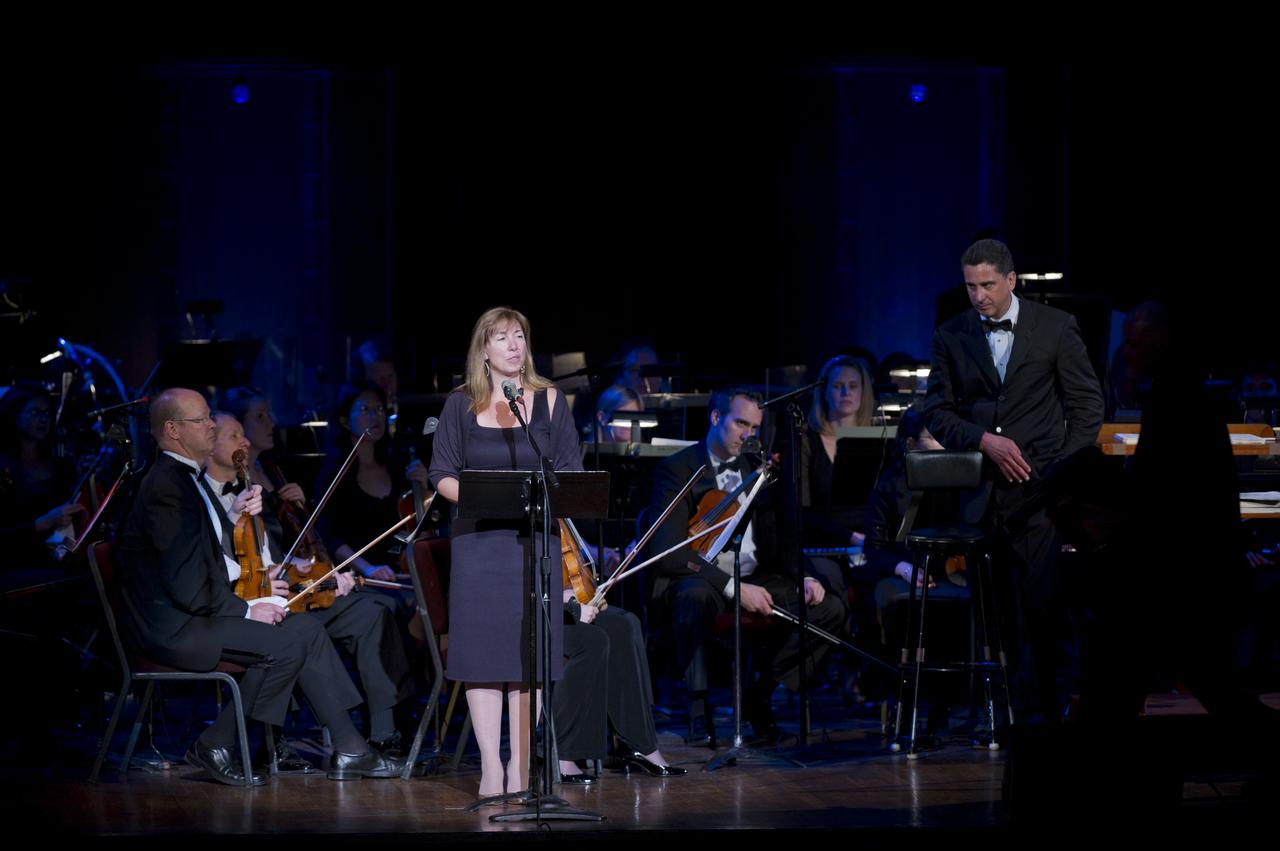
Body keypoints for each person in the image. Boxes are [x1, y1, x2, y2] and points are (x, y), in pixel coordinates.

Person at [115, 388, 405, 784]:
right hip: (173, 627)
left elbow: (202, 561)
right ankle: (218, 741)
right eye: (201, 420)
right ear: (173, 430)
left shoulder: (186, 481)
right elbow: (186, 584)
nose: (211, 426)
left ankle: (350, 746)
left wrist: (233, 522)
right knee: (286, 644)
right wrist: (247, 609)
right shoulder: (168, 486)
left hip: (194, 615)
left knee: (304, 629)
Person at [920, 238, 1103, 722]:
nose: (978, 296)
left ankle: (1040, 714)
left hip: (1040, 492)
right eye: (970, 286)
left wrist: (1058, 473)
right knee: (993, 610)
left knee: (1040, 608)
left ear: (1011, 280)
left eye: (986, 285)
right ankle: (1001, 714)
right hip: (982, 492)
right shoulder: (951, 334)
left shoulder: (1056, 328)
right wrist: (984, 440)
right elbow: (936, 412)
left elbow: (1087, 407)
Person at [427, 306, 582, 799]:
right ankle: (491, 768)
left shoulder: (551, 401)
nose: (513, 345)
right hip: (478, 547)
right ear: (484, 350)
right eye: (501, 338)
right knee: (485, 656)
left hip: (534, 544)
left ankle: (521, 766)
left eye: (519, 336)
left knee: (527, 655)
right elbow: (442, 474)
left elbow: (571, 472)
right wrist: (481, 497)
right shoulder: (460, 404)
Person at [202, 408, 413, 760]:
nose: (247, 441)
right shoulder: (209, 497)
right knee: (299, 632)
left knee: (373, 611)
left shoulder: (254, 486)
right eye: (236, 435)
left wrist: (310, 569)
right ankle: (312, 741)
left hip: (289, 591)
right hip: (249, 606)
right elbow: (215, 561)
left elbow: (275, 551)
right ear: (209, 445)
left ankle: (383, 730)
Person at [644, 386, 847, 745]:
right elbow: (667, 549)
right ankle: (698, 707)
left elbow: (781, 536)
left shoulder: (760, 470)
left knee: (828, 607)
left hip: (755, 572)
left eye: (754, 427)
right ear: (716, 417)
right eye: (740, 423)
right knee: (693, 597)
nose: (748, 434)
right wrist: (734, 588)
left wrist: (804, 576)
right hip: (701, 576)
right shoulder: (677, 469)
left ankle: (760, 693)